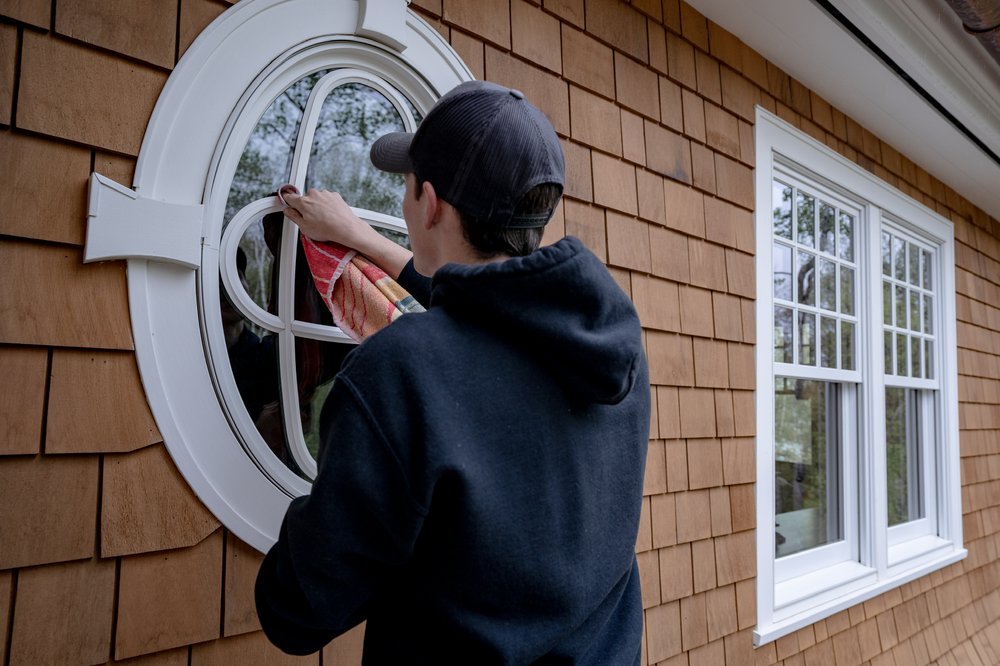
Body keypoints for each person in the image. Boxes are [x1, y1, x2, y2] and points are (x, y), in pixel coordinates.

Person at [255, 80, 650, 664]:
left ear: (429, 201)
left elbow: (298, 610)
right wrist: (358, 238)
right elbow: (482, 305)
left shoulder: (399, 370)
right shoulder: (615, 350)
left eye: (408, 186)